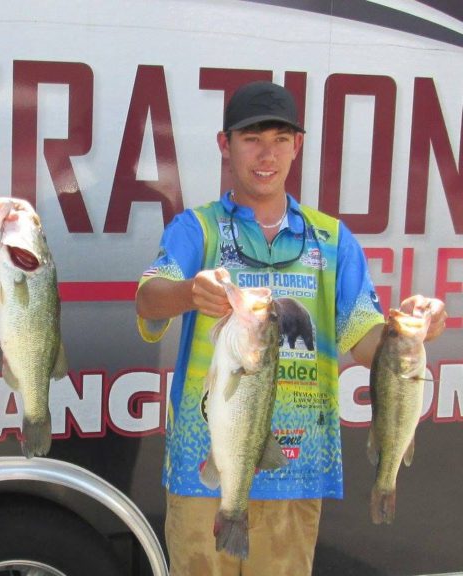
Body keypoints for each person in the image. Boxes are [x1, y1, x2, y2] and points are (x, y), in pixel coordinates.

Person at [135, 81, 447, 575]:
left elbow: (366, 343)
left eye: (281, 139)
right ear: (225, 144)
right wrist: (187, 292)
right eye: (251, 137)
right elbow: (149, 298)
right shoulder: (197, 229)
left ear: (297, 146)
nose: (267, 153)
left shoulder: (332, 238)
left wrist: (409, 333)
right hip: (204, 477)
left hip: (296, 475)